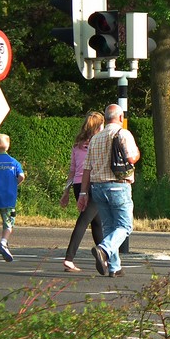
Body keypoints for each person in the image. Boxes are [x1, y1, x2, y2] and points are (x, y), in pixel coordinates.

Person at [77, 104, 140, 277]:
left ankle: (114, 267)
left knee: (109, 226)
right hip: (118, 186)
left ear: (105, 118)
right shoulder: (123, 134)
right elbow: (131, 158)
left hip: (97, 187)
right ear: (120, 118)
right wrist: (137, 153)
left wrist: (83, 193)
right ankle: (104, 249)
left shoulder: (95, 139)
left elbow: (87, 168)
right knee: (125, 226)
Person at [60, 111, 105, 272]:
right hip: (92, 184)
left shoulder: (77, 146)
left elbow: (72, 170)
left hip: (78, 185)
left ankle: (106, 258)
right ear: (99, 126)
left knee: (97, 222)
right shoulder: (98, 144)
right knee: (84, 220)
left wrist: (66, 191)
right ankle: (69, 258)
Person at [0, 134, 25, 262]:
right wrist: (14, 184)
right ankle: (3, 242)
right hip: (9, 199)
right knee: (8, 223)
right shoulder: (14, 162)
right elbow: (22, 176)